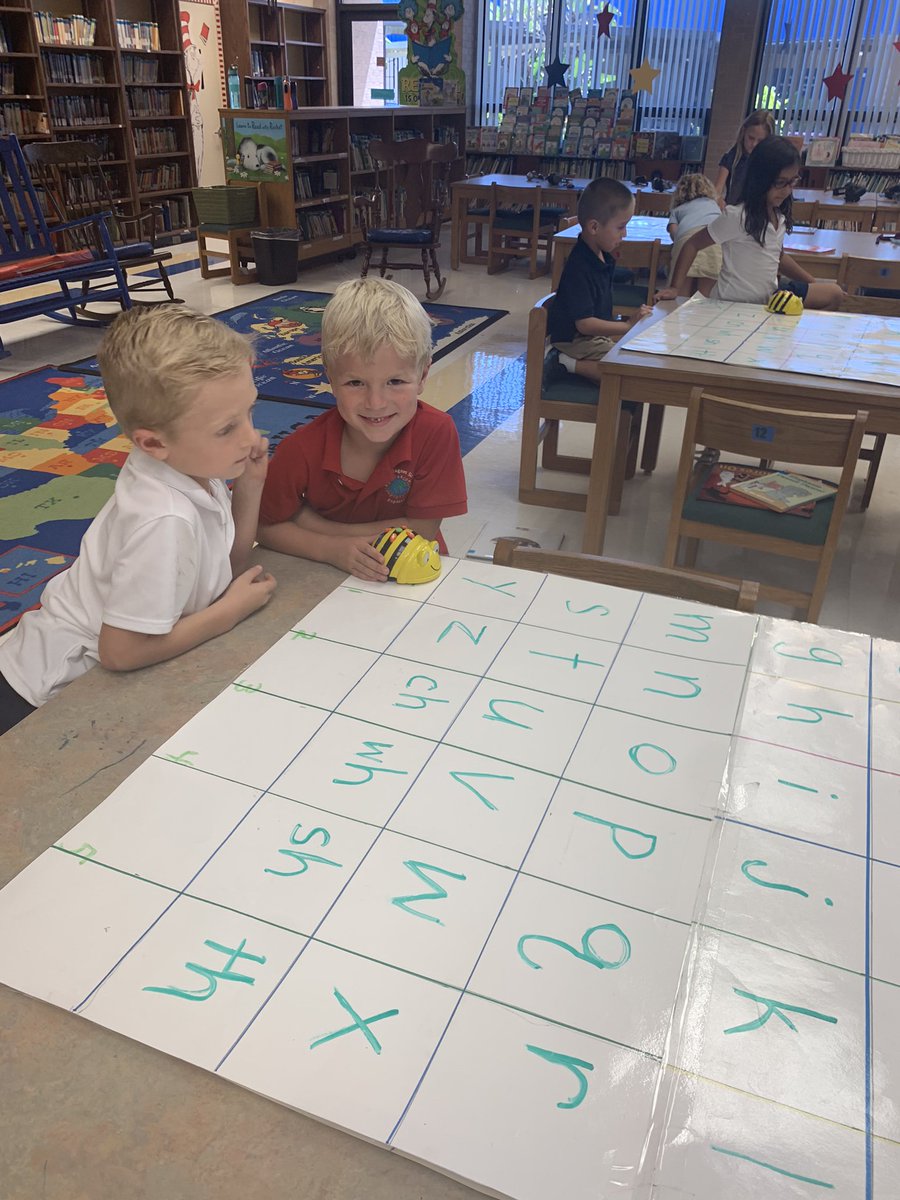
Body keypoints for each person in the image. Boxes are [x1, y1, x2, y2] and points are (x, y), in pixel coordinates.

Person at [0, 306, 277, 738]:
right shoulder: (163, 519)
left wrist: (250, 486)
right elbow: (121, 652)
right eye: (227, 429)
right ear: (153, 442)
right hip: (39, 696)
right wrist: (230, 612)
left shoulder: (194, 467)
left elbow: (226, 566)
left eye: (250, 413)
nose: (249, 436)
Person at [256, 277, 467, 582]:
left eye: (395, 382)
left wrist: (317, 526)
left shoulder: (436, 432)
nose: (376, 403)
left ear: (422, 376)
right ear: (330, 377)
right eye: (356, 383)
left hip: (416, 576)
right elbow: (263, 526)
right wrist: (330, 550)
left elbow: (423, 529)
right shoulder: (301, 449)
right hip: (327, 580)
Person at [656, 137, 843, 310]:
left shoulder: (779, 217)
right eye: (780, 182)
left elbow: (777, 257)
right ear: (761, 180)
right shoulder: (738, 216)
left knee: (834, 293)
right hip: (732, 304)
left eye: (792, 182)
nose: (786, 190)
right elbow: (692, 244)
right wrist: (674, 287)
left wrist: (813, 283)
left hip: (767, 301)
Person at [548, 176, 652, 385]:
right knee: (627, 372)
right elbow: (585, 324)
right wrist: (626, 326)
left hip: (591, 337)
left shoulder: (601, 254)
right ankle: (566, 362)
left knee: (642, 354)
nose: (625, 234)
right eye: (621, 227)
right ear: (594, 227)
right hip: (574, 340)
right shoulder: (580, 265)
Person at [666, 173, 723, 297]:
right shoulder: (714, 205)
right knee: (704, 298)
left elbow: (674, 232)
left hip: (687, 243)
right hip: (713, 243)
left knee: (680, 298)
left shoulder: (678, 209)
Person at [715, 109, 775, 205]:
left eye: (760, 141)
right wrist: (718, 199)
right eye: (751, 138)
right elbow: (717, 189)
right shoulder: (732, 157)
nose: (754, 144)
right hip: (733, 211)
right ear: (743, 132)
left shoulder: (770, 163)